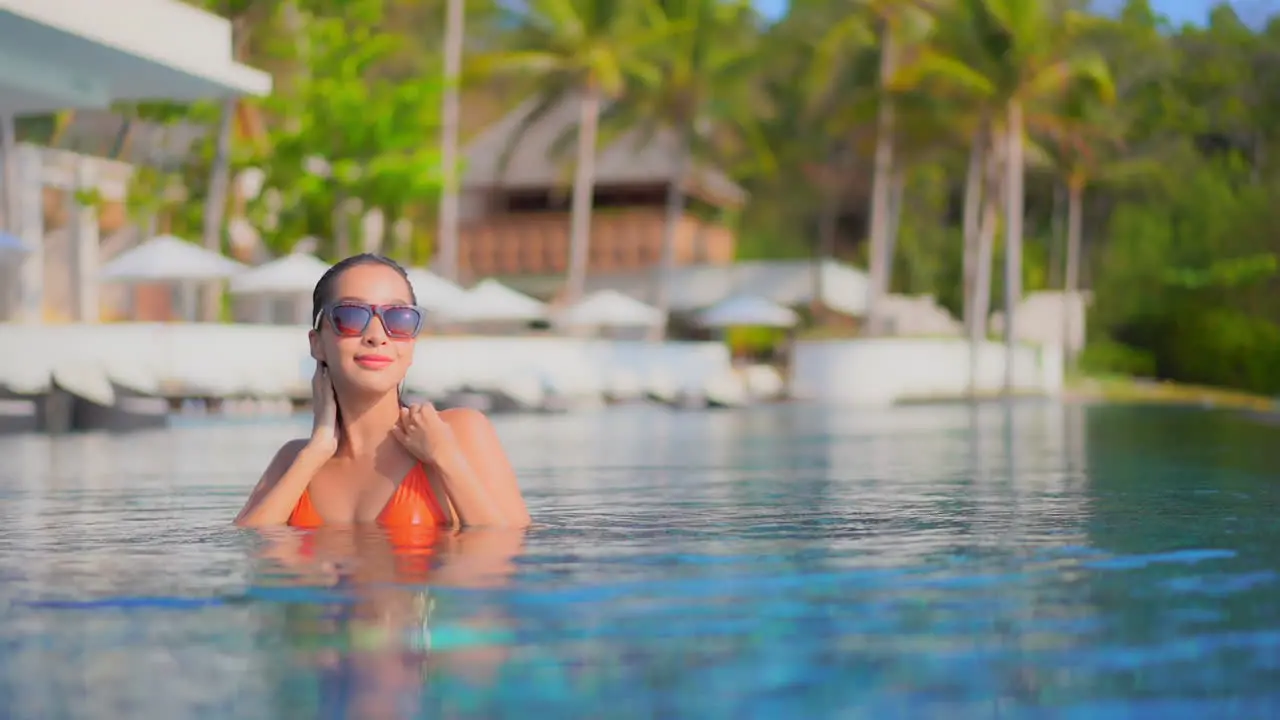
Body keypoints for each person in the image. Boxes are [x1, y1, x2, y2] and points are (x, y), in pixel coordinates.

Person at [235, 254, 531, 529]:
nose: (377, 336)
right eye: (350, 316)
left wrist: (445, 457)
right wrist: (317, 450)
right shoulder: (295, 459)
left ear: (412, 344)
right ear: (317, 343)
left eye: (398, 318)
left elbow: (506, 552)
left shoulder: (459, 432)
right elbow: (249, 548)